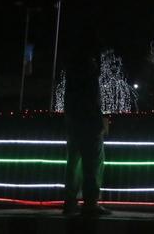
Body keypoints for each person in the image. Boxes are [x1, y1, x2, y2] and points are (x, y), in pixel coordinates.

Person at [61, 44, 110, 217]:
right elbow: (92, 102)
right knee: (92, 165)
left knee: (73, 163)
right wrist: (99, 122)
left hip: (74, 123)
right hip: (89, 124)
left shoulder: (72, 74)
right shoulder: (89, 74)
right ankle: (90, 203)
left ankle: (70, 201)